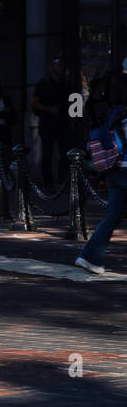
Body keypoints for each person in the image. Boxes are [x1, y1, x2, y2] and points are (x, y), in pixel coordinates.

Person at [77, 72, 127, 274]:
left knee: (112, 217)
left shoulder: (115, 111)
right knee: (112, 217)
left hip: (114, 170)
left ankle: (90, 256)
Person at [31, 58, 72, 190]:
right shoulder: (43, 84)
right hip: (48, 123)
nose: (60, 68)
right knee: (47, 154)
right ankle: (48, 183)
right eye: (57, 65)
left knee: (65, 153)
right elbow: (34, 103)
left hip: (63, 123)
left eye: (61, 65)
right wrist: (51, 109)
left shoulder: (66, 84)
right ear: (51, 68)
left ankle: (64, 181)